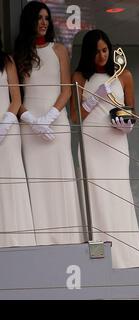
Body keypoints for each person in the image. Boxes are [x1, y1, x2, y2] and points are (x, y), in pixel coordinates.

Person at [70, 29, 139, 268]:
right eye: (97, 52)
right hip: (91, 143)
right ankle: (98, 258)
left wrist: (126, 124)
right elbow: (74, 116)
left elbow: (132, 111)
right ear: (88, 54)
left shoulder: (125, 76)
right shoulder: (80, 77)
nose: (102, 56)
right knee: (96, 196)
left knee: (120, 196)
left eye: (105, 50)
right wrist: (94, 99)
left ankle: (127, 259)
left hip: (116, 144)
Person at [14, 1, 83, 245]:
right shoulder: (19, 54)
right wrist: (32, 120)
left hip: (56, 123)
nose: (43, 22)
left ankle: (67, 239)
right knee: (37, 181)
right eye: (38, 18)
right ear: (29, 22)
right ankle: (42, 240)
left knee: (61, 178)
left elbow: (66, 89)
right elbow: (16, 96)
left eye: (46, 18)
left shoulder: (60, 50)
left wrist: (49, 118)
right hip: (30, 127)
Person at [0, 29, 36, 248]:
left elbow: (16, 98)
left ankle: (17, 239)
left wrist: (5, 124)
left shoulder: (7, 61)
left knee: (11, 178)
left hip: (8, 128)